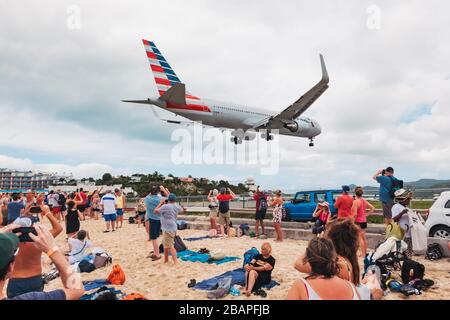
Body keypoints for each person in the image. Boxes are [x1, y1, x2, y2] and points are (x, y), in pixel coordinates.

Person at [0, 223, 84, 300]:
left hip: (16, 283)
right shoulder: (33, 298)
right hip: (35, 279)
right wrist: (53, 250)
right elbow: (77, 289)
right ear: (10, 268)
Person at [6, 203, 63, 298]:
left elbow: (8, 228)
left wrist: (22, 216)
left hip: (16, 280)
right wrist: (47, 213)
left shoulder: (10, 240)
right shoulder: (39, 239)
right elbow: (58, 228)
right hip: (35, 279)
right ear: (33, 226)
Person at [287, 238, 360, 300]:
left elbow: (297, 263)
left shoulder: (301, 285)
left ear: (308, 257)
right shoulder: (351, 287)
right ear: (334, 256)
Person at [154, 193, 185, 264]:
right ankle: (166, 260)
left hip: (168, 228)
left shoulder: (165, 206)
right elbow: (182, 210)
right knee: (166, 245)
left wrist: (160, 203)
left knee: (170, 246)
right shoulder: (176, 206)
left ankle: (176, 262)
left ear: (168, 200)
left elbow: (155, 211)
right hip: (172, 227)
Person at [145, 185, 170, 261]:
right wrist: (164, 190)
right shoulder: (160, 199)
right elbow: (170, 197)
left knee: (154, 238)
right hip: (159, 219)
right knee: (154, 237)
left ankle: (157, 254)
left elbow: (149, 194)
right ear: (158, 192)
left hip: (152, 219)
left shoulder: (147, 199)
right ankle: (156, 252)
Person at [351, 186, 375, 257]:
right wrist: (366, 215)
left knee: (359, 238)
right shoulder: (363, 200)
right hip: (364, 221)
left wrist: (352, 222)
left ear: (355, 193)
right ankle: (364, 253)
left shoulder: (356, 201)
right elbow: (372, 208)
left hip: (358, 221)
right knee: (363, 238)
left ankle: (363, 254)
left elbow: (354, 214)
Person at [391, 188, 414, 258]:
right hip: (400, 234)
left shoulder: (405, 207)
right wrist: (402, 212)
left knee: (408, 251)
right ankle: (398, 264)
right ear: (403, 199)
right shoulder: (396, 207)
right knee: (399, 251)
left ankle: (408, 263)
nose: (409, 200)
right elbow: (394, 219)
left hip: (408, 234)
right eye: (408, 199)